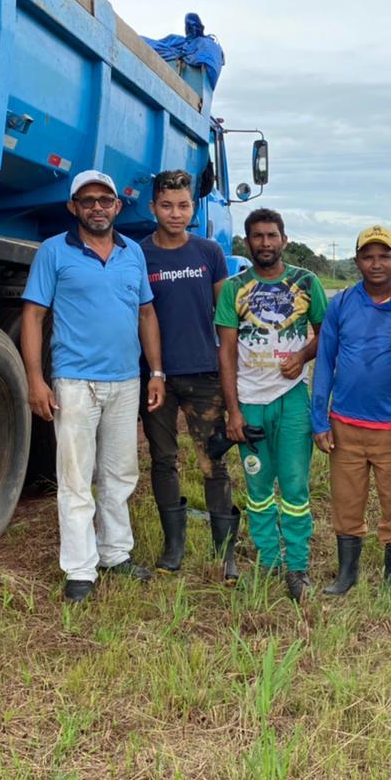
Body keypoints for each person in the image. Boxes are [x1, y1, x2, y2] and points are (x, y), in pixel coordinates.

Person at [20, 170, 165, 602]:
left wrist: (155, 372)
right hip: (74, 381)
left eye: (106, 199)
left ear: (118, 207)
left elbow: (146, 315)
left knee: (120, 474)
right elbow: (33, 316)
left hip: (125, 381)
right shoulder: (53, 252)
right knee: (76, 478)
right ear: (73, 207)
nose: (97, 207)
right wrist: (35, 379)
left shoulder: (132, 253)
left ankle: (115, 554)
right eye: (88, 200)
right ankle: (80, 570)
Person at [216, 209, 327, 602]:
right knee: (258, 486)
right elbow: (226, 352)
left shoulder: (305, 282)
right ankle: (267, 562)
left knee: (295, 487)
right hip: (249, 402)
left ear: (284, 239)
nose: (265, 242)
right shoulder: (234, 288)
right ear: (247, 242)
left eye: (272, 235)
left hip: (292, 398)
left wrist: (303, 357)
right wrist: (233, 411)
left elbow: (324, 334)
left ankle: (296, 567)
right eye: (258, 236)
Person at [311, 225, 391, 595]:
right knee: (346, 502)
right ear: (357, 261)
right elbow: (325, 363)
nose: (376, 263)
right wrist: (320, 420)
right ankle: (347, 575)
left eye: (384, 255)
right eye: (368, 256)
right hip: (345, 425)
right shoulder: (342, 303)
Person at [138, 169, 239, 583]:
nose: (175, 213)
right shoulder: (139, 254)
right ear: (152, 208)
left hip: (205, 375)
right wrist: (155, 371)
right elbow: (143, 315)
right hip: (158, 376)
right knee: (163, 460)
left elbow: (226, 317)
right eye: (166, 205)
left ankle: (225, 553)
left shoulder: (209, 252)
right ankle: (173, 547)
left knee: (213, 461)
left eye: (183, 206)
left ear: (193, 208)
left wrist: (230, 368)